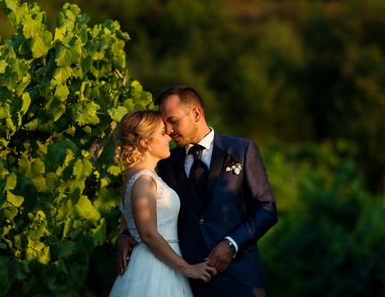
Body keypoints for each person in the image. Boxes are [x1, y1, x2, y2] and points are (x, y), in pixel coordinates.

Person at [117, 86, 278, 297]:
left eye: (173, 121)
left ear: (196, 114)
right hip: (187, 281)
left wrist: (231, 244)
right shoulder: (166, 162)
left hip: (239, 279)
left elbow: (266, 209)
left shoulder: (242, 150)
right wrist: (125, 235)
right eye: (165, 124)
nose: (169, 130)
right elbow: (147, 204)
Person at [109, 110, 217, 297]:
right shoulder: (143, 180)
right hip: (155, 266)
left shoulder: (135, 177)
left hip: (157, 259)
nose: (169, 136)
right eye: (162, 132)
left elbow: (126, 223)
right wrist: (188, 269)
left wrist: (123, 238)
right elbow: (148, 234)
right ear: (145, 142)